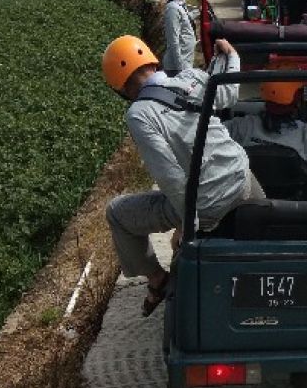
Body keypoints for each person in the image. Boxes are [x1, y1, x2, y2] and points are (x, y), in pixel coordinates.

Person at [102, 34, 261, 316]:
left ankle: (157, 279)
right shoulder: (193, 77)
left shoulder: (139, 114)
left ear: (121, 89)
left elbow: (170, 177)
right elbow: (228, 94)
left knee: (117, 213)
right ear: (152, 60)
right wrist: (232, 56)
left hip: (207, 205)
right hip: (242, 180)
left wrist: (189, 227)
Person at [161, 0, 197, 76]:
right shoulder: (172, 9)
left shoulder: (180, 4)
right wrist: (180, 70)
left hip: (185, 65)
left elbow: (186, 18)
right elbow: (173, 42)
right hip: (177, 69)